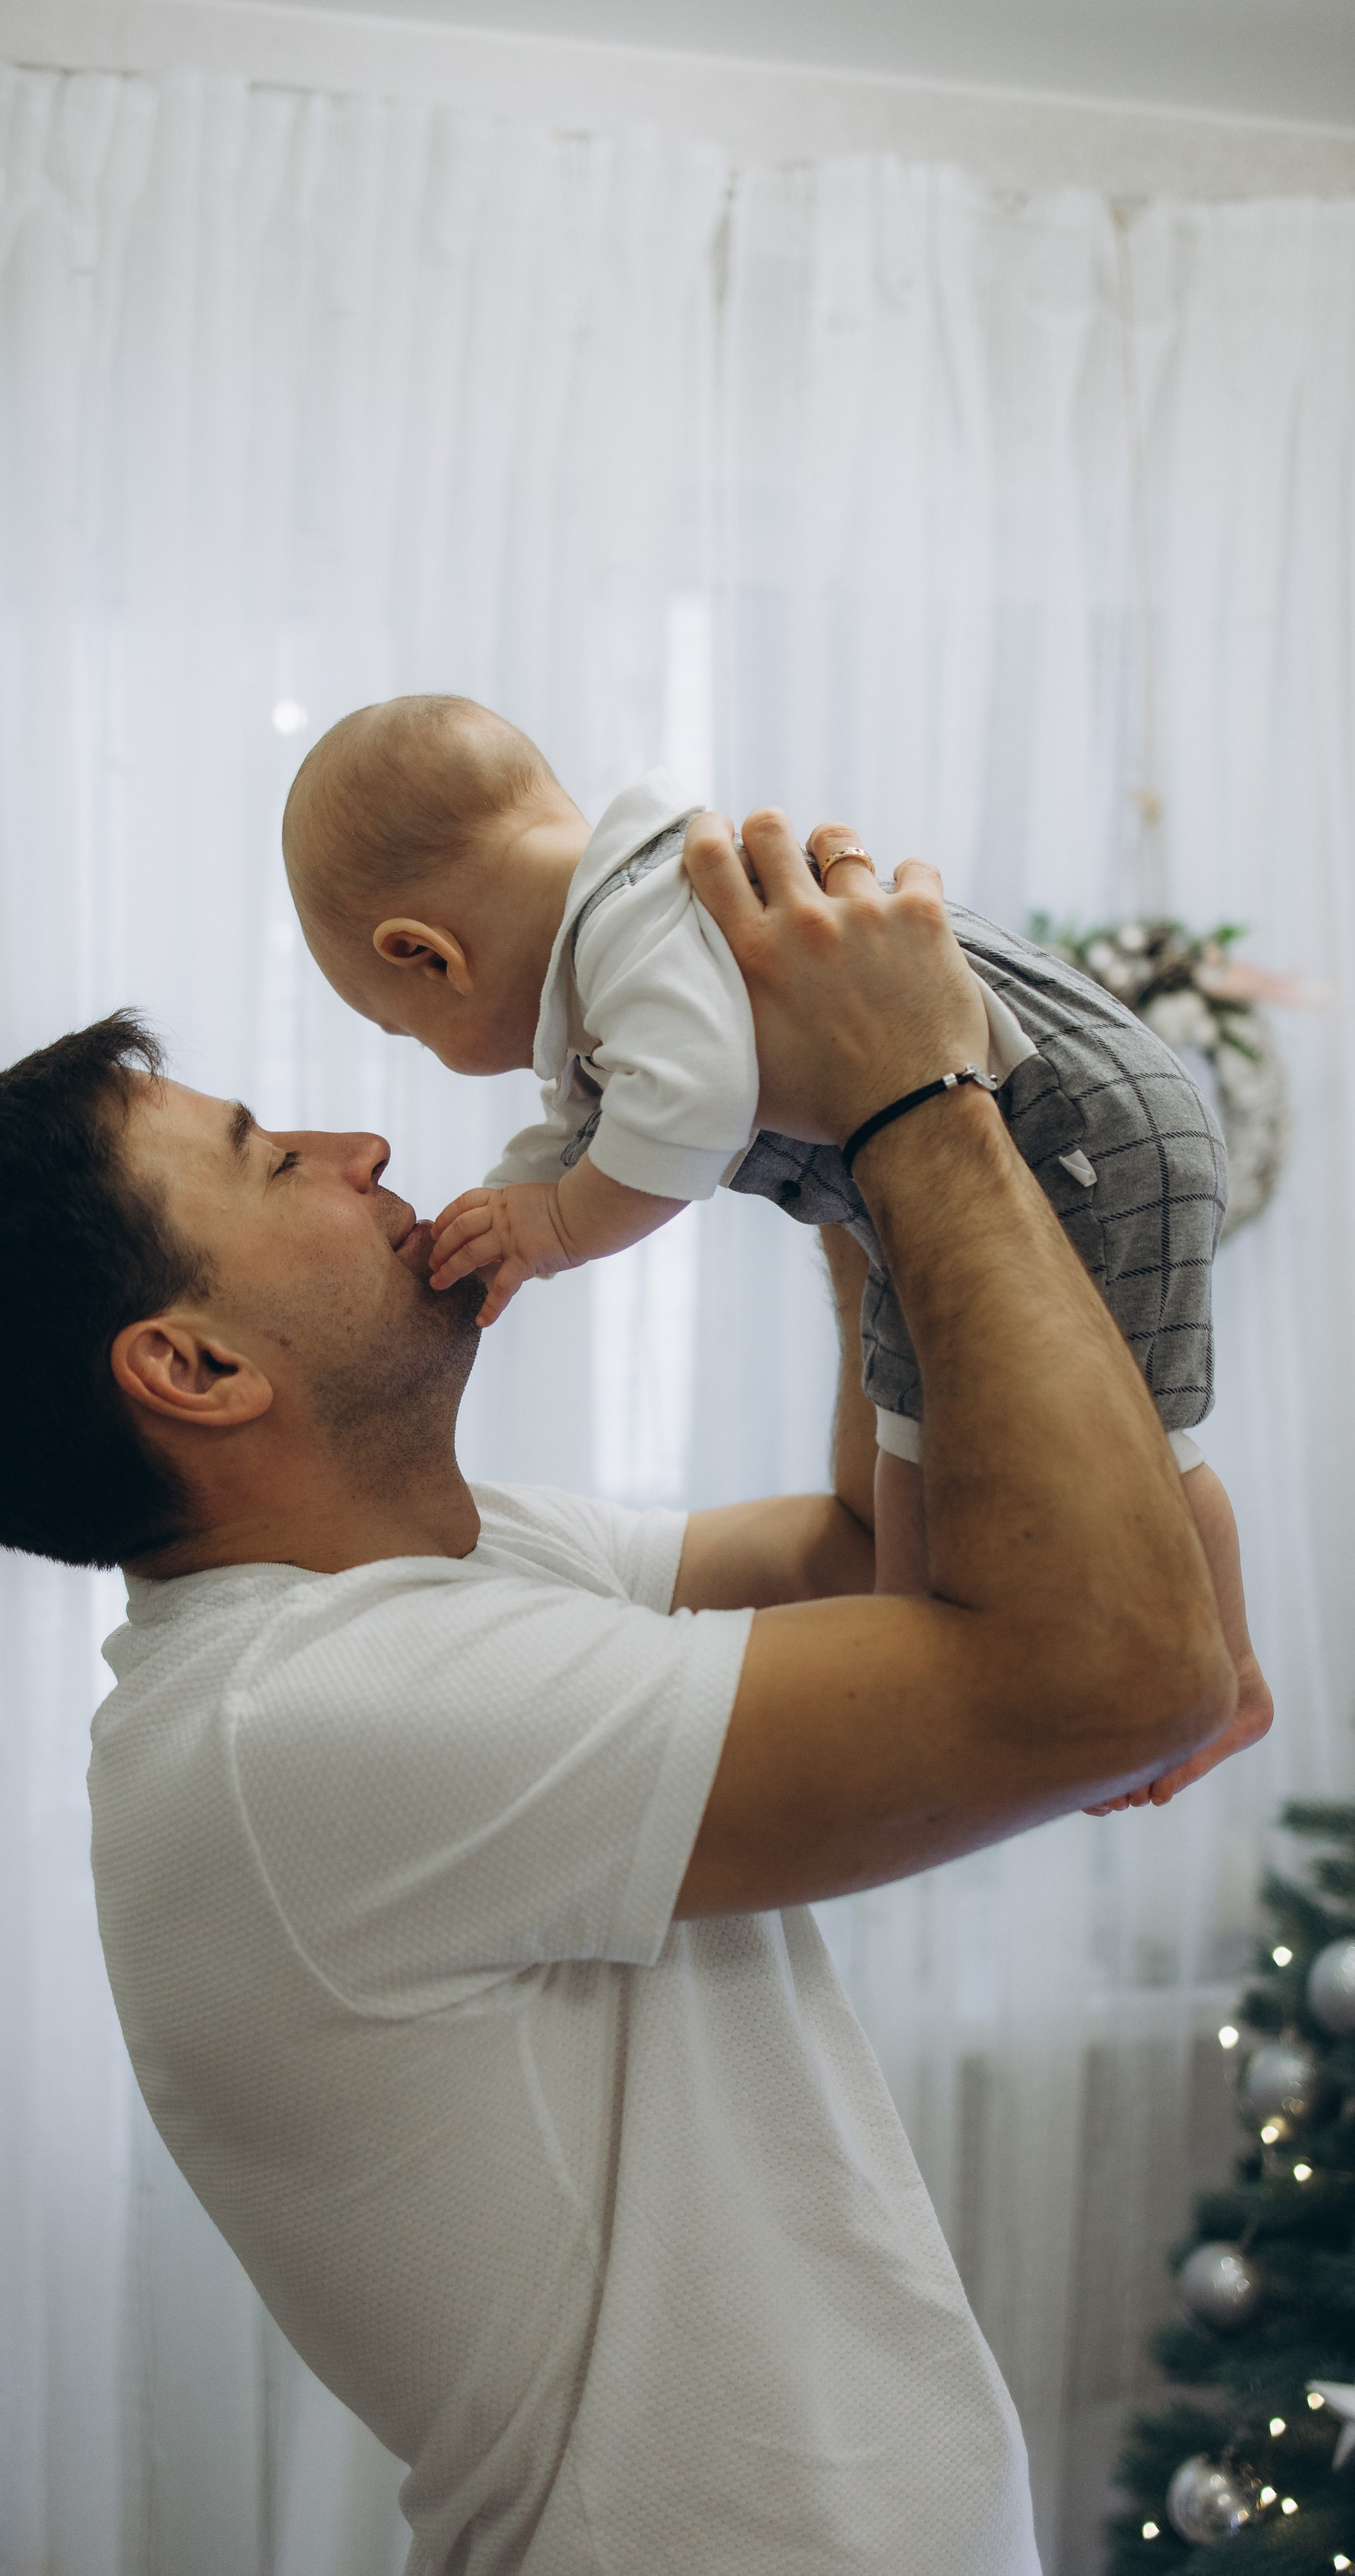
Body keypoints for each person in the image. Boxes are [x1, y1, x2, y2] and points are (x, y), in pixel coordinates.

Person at [0, 817, 1239, 2576]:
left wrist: (826, 1169)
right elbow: (1111, 1673)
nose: (366, 1145)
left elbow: (871, 1556)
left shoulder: (443, 1586)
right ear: (194, 1368)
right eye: (273, 1161)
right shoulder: (317, 1723)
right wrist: (919, 1101)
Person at [283, 697, 1271, 1807]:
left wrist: (554, 1228)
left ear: (427, 956)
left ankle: (1226, 1669)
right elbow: (606, 1121)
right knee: (910, 1433)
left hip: (1073, 1132)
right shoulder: (624, 933)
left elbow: (691, 1110)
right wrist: (513, 1195)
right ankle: (923, 1649)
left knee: (1147, 1439)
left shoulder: (633, 933)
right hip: (933, 1168)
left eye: (405, 1031)